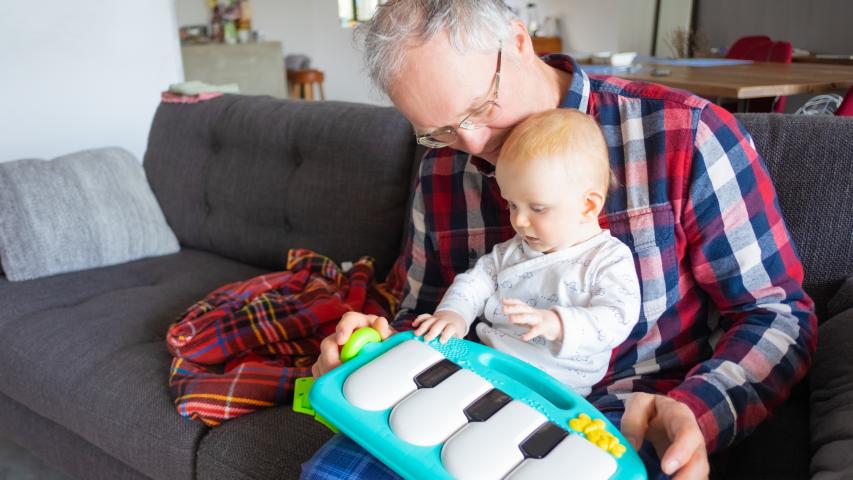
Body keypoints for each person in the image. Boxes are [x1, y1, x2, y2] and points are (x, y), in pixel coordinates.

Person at [303, 1, 817, 478]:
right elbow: (426, 313)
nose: (475, 145)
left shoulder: (685, 136)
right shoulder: (442, 167)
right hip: (469, 392)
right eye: (441, 130)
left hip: (619, 416)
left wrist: (697, 408)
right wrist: (377, 351)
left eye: (480, 107)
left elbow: (774, 314)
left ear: (519, 41)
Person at [413, 108, 641, 397]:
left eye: (537, 208)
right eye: (512, 205)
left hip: (555, 389)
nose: (519, 221)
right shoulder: (512, 251)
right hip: (488, 367)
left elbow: (617, 317)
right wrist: (453, 314)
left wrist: (557, 323)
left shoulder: (608, 259)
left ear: (587, 206)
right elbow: (474, 282)